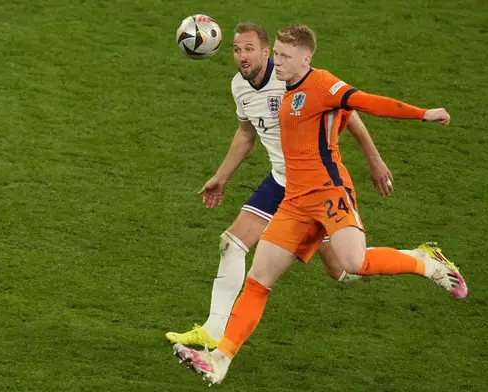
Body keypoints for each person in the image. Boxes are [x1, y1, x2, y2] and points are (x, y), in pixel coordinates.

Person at [173, 24, 469, 385]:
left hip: (329, 191)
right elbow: (250, 132)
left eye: (282, 56)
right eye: (276, 54)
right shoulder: (265, 88)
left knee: (353, 263)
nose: (276, 62)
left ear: (305, 58)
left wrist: (423, 113)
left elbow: (366, 103)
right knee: (258, 280)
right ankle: (220, 358)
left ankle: (424, 261)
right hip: (293, 199)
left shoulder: (322, 84)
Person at [166, 23, 396, 349]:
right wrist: (221, 176)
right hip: (280, 182)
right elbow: (246, 134)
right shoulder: (239, 87)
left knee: (342, 268)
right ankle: (213, 329)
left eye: (249, 49)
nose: (242, 56)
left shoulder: (295, 79)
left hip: (316, 185)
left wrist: (374, 159)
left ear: (265, 52)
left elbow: (349, 113)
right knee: (232, 243)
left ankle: (418, 260)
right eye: (236, 49)